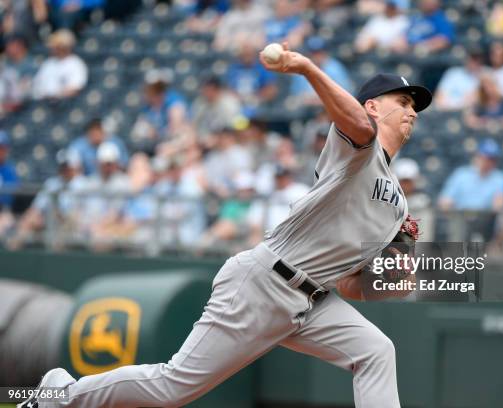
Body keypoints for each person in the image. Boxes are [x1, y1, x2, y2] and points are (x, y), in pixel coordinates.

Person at [20, 42, 433, 408]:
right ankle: (58, 395)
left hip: (313, 301)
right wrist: (307, 68)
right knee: (172, 388)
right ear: (374, 105)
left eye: (415, 105)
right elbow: (360, 127)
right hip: (264, 282)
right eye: (403, 100)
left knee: (376, 350)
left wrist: (399, 274)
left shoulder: (398, 205)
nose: (412, 110)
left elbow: (352, 287)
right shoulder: (357, 151)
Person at [7, 149, 86, 250]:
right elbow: (36, 208)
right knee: (30, 220)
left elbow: (79, 215)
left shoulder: (83, 184)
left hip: (73, 226)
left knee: (64, 227)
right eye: (63, 166)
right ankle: (11, 255)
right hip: (50, 222)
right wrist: (29, 220)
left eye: (67, 166)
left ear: (74, 166)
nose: (65, 169)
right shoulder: (52, 183)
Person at [439, 139, 503, 210]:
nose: (488, 162)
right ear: (477, 156)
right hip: (461, 217)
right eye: (485, 158)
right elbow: (445, 199)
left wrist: (501, 205)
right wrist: (447, 204)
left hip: (488, 219)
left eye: (492, 159)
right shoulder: (461, 174)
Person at [32, 29, 87, 100]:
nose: (53, 48)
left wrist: (56, 95)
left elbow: (75, 89)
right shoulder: (48, 63)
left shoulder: (75, 63)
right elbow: (37, 86)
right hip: (45, 103)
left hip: (65, 103)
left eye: (56, 46)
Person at [433, 46, 484, 111]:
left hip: (468, 112)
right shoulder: (453, 72)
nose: (474, 61)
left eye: (476, 59)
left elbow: (476, 99)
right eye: (472, 58)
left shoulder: (485, 74)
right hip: (447, 111)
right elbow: (439, 96)